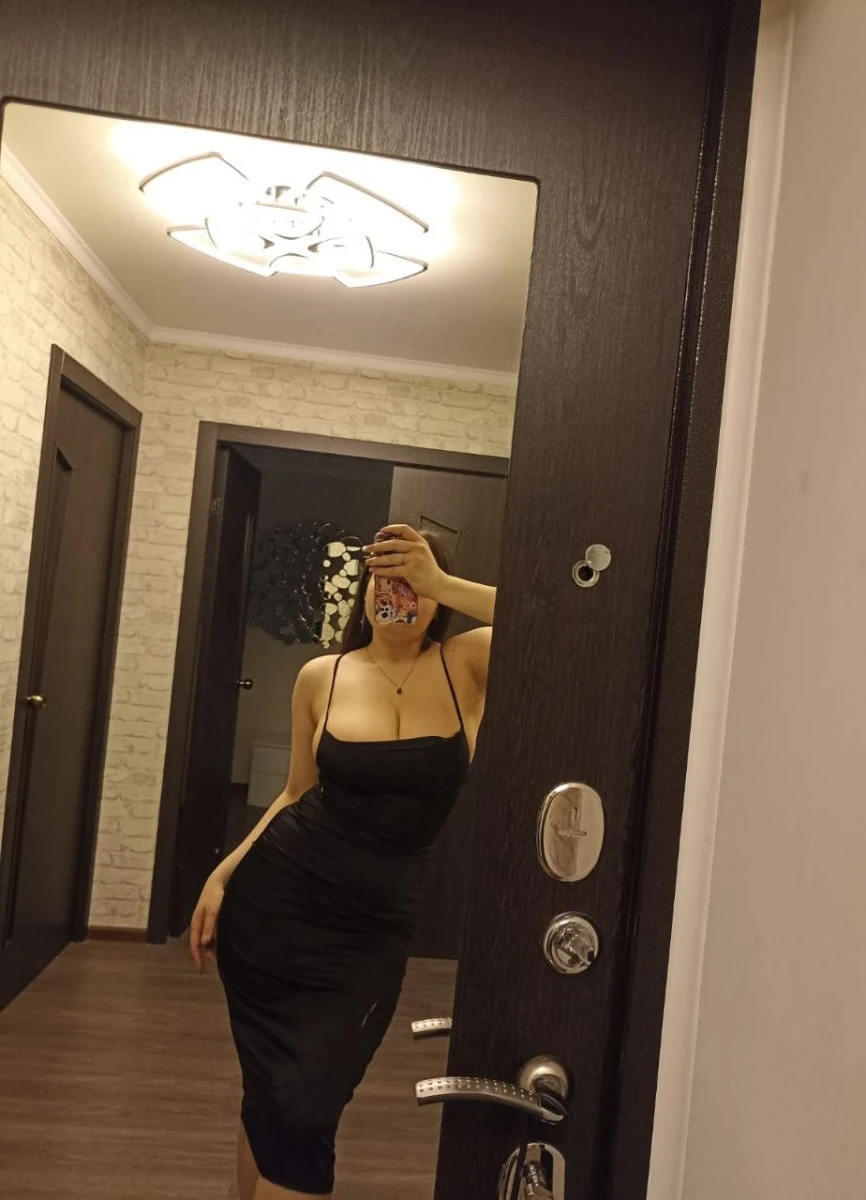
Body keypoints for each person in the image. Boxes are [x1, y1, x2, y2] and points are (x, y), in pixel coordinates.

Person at [190, 524, 495, 1200]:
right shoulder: (321, 676)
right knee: (275, 1094)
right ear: (364, 592)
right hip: (276, 910)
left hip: (370, 935)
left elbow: (550, 619)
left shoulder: (465, 663)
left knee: (306, 1101)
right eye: (387, 580)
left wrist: (442, 581)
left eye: (413, 582)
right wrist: (223, 873)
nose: (399, 595)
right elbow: (296, 792)